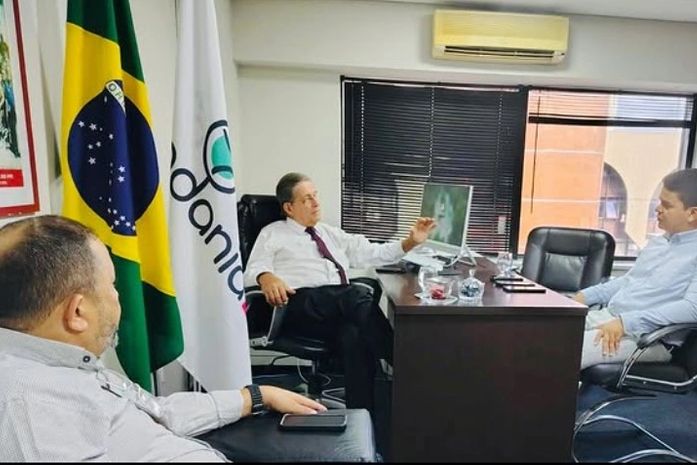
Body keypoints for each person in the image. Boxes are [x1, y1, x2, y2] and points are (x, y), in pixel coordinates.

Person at [0, 215, 326, 462]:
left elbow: (157, 411)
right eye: (112, 285)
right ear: (77, 312)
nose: (118, 296)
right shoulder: (31, 412)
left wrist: (254, 396)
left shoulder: (60, 364)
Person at [244, 172, 436, 410]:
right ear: (289, 208)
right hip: (296, 307)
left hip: (332, 309)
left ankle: (362, 414)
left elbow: (372, 253)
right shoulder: (273, 232)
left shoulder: (328, 232)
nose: (316, 202)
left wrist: (411, 242)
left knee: (354, 335)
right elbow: (253, 269)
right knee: (354, 294)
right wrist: (267, 277)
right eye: (307, 199)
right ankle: (406, 364)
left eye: (315, 195)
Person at [574, 168, 697, 370]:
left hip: (649, 337)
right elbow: (629, 282)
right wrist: (582, 297)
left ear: (692, 213)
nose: (658, 209)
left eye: (667, 205)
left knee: (562, 351)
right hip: (612, 318)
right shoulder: (659, 243)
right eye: (660, 202)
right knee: (544, 332)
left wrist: (627, 323)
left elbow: (692, 309)